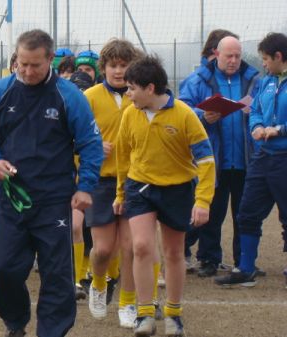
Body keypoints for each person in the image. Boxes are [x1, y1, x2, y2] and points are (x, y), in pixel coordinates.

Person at [0, 29, 103, 337]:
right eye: (22, 64)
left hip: (55, 200)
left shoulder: (69, 96)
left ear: (50, 62)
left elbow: (91, 144)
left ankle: (51, 332)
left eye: (35, 65)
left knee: (57, 275)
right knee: (4, 268)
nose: (27, 71)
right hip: (10, 198)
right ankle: (15, 324)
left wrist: (86, 186)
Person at [114, 55, 215, 337]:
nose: (128, 94)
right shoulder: (129, 114)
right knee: (142, 247)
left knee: (173, 253)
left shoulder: (184, 115)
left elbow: (206, 160)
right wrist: (120, 192)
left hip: (178, 190)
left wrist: (203, 200)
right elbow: (123, 156)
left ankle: (173, 313)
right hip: (140, 188)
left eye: (132, 88)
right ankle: (144, 314)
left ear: (150, 88)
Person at [179, 36, 260, 277]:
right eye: (229, 56)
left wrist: (255, 111)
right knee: (212, 212)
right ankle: (208, 259)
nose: (234, 61)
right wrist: (202, 116)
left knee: (244, 213)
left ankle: (243, 261)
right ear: (217, 53)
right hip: (213, 158)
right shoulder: (198, 79)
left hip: (246, 158)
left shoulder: (254, 80)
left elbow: (266, 106)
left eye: (237, 56)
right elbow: (182, 109)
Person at [214, 32, 287, 287]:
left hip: (284, 159)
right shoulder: (266, 82)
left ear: (279, 57)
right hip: (262, 158)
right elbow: (255, 109)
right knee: (247, 213)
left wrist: (279, 130)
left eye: (266, 58)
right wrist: (256, 125)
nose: (263, 63)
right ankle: (245, 269)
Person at [83, 38, 141, 326]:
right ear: (103, 68)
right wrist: (92, 148)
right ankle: (98, 283)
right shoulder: (89, 97)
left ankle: (128, 304)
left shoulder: (142, 96)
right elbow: (72, 139)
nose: (119, 71)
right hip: (101, 182)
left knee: (131, 247)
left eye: (124, 65)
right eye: (113, 65)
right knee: (103, 249)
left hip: (134, 182)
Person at [178, 29, 239, 93]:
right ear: (216, 51)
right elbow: (185, 102)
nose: (233, 60)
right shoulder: (193, 81)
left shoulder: (237, 79)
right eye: (229, 53)